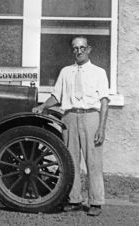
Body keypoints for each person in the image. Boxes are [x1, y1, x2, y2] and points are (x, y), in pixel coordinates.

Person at [33, 36, 109, 217]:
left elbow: (104, 101)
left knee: (94, 162)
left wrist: (101, 128)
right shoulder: (65, 72)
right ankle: (74, 200)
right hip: (69, 118)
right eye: (75, 48)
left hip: (91, 117)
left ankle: (96, 202)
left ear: (89, 49)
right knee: (71, 161)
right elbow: (57, 97)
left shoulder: (99, 72)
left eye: (82, 47)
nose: (79, 51)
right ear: (72, 51)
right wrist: (43, 106)